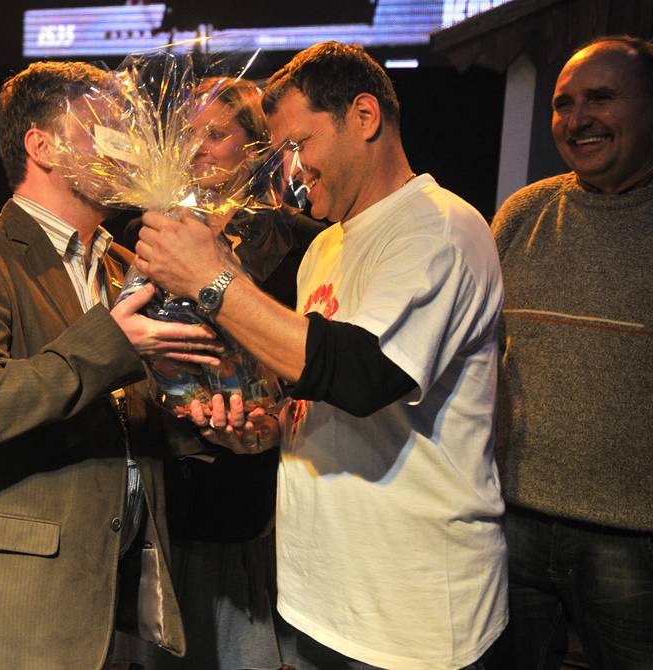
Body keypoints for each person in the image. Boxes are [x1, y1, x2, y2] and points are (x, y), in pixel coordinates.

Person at [135, 42, 506, 670]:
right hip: (321, 600)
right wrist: (266, 428)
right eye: (283, 150)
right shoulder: (325, 248)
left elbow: (364, 373)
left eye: (301, 144)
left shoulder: (437, 226)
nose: (293, 168)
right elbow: (315, 394)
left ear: (364, 116)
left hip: (409, 614)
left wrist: (211, 280)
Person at [0, 61, 222, 670]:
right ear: (42, 147)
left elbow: (120, 416)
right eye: (106, 129)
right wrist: (112, 341)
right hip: (16, 612)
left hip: (114, 595)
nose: (126, 146)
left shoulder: (122, 265)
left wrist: (204, 424)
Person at [116, 77, 323, 670]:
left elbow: (306, 356)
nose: (196, 148)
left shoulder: (300, 242)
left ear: (255, 147)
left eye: (215, 133)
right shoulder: (148, 233)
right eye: (187, 135)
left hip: (248, 480)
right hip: (161, 478)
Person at [491, 35, 653, 670]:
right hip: (513, 522)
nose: (578, 119)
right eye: (563, 104)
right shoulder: (524, 213)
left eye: (601, 98)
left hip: (635, 542)